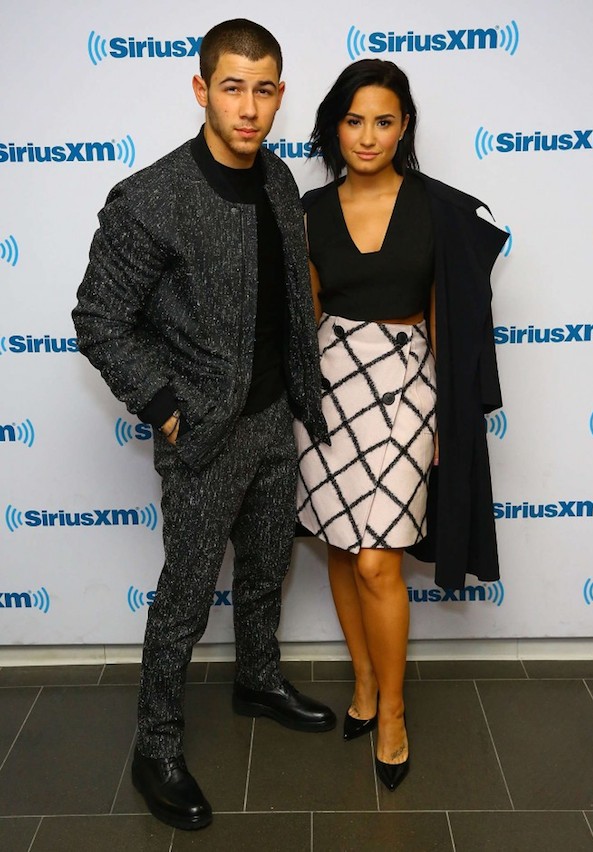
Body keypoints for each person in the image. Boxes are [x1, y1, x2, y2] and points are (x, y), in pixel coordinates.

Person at [72, 18, 335, 832]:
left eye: (263, 90)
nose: (249, 107)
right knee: (184, 598)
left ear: (279, 95)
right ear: (201, 90)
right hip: (202, 435)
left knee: (264, 568)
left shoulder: (281, 182)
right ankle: (155, 745)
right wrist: (166, 409)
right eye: (232, 87)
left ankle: (257, 678)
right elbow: (99, 317)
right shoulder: (152, 198)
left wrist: (297, 393)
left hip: (270, 420)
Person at [294, 59, 507, 792]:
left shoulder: (437, 210)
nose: (368, 135)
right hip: (329, 390)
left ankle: (392, 712)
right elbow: (308, 314)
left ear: (405, 126)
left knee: (381, 557)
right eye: (353, 120)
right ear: (333, 126)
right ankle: (360, 681)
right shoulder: (310, 212)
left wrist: (451, 415)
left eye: (384, 120)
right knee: (343, 547)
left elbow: (454, 316)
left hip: (408, 387)